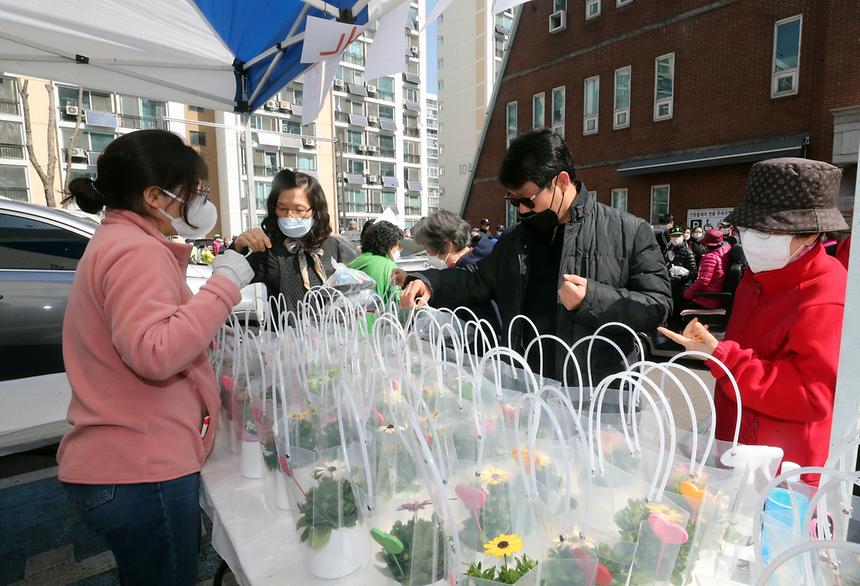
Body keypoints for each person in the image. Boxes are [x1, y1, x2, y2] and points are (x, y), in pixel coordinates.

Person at [58, 130, 256, 584]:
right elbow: (155, 351)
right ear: (154, 195)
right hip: (140, 470)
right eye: (194, 193)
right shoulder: (136, 251)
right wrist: (224, 286)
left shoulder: (118, 242)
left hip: (124, 465)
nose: (200, 203)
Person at [400, 129, 671, 380]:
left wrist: (591, 299)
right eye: (513, 201)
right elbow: (476, 280)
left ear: (562, 182)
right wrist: (430, 282)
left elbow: (657, 307)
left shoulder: (629, 232)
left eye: (528, 200)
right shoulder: (516, 239)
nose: (521, 210)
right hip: (527, 390)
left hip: (598, 393)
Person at [660, 157, 848, 483]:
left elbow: (812, 395)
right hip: (734, 448)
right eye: (747, 228)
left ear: (809, 234)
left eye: (765, 230)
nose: (750, 239)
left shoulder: (827, 294)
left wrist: (725, 358)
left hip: (783, 472)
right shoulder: (756, 277)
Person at [231, 169, 356, 315]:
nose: (289, 215)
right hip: (285, 336)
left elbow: (351, 291)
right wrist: (237, 246)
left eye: (299, 209)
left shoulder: (334, 246)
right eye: (282, 208)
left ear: (315, 210)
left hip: (331, 335)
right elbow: (225, 280)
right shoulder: (268, 249)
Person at [411, 210, 502, 332]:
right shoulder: (480, 258)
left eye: (428, 249)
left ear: (447, 244)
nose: (428, 254)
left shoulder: (470, 274)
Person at [348, 220, 403, 302]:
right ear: (390, 245)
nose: (399, 249)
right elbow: (398, 300)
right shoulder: (390, 267)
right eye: (397, 246)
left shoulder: (354, 263)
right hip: (380, 313)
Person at [682, 229, 732, 309]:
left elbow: (702, 282)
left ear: (707, 245)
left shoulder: (710, 258)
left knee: (678, 303)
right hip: (718, 297)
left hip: (707, 300)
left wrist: (686, 294)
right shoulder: (726, 253)